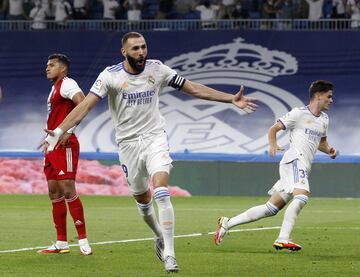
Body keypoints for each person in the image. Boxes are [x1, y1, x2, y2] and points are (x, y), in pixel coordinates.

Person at [43, 32, 257, 272]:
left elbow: (192, 88)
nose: (141, 52)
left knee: (162, 190)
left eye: (143, 47)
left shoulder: (158, 69)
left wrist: (230, 99)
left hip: (155, 138)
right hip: (127, 144)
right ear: (124, 52)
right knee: (142, 200)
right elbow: (85, 106)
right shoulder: (110, 76)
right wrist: (60, 129)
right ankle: (159, 235)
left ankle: (170, 255)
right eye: (135, 48)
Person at [215, 80, 337, 251]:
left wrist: (330, 150)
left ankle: (228, 223)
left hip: (303, 165)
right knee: (302, 196)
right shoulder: (298, 114)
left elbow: (321, 143)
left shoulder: (324, 119)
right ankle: (283, 238)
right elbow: (274, 128)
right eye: (329, 96)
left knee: (271, 208)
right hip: (294, 160)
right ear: (318, 96)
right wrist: (272, 144)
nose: (331, 100)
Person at [38, 53, 92, 256]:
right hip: (53, 144)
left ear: (63, 69)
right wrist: (47, 138)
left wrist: (69, 131)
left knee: (68, 188)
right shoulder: (54, 88)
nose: (47, 68)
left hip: (65, 144)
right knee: (54, 191)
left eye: (51, 65)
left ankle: (83, 240)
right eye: (47, 64)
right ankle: (61, 242)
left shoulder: (68, 84)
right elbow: (55, 116)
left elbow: (84, 103)